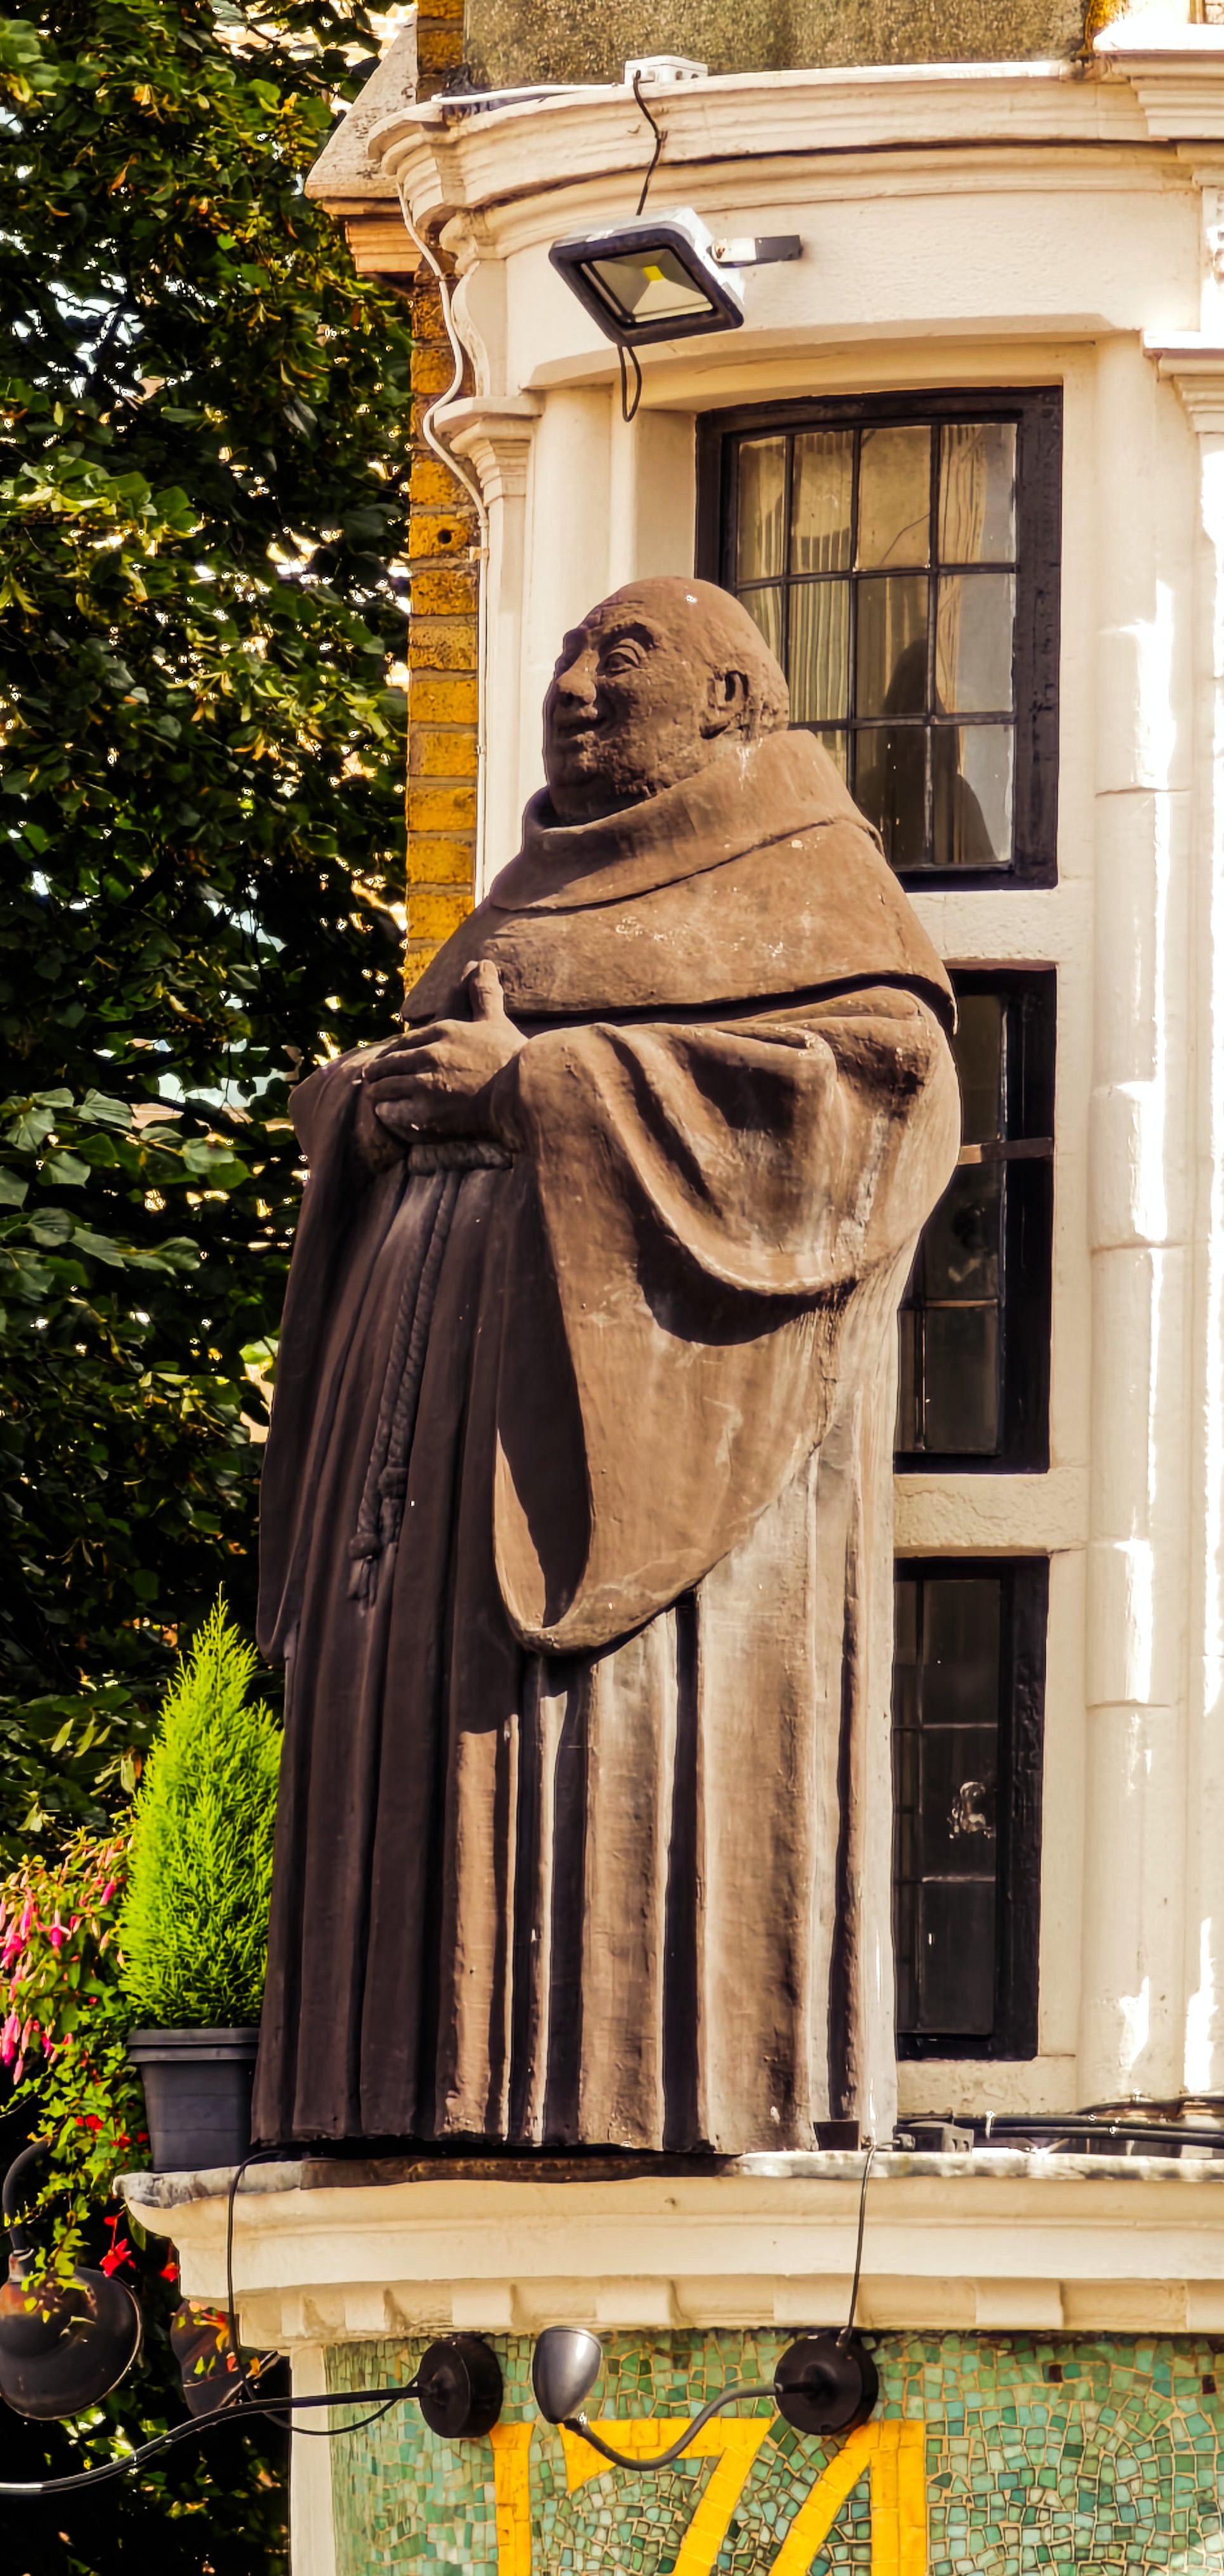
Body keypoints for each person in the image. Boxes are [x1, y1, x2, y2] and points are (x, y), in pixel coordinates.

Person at [253, 576, 959, 2155]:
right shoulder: (526, 898)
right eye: (568, 653)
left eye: (619, 655)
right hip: (421, 1467)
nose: (572, 684)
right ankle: (397, 2088)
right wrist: (373, 1106)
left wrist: (541, 1089)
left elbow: (880, 1092)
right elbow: (404, 1081)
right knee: (418, 1779)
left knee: (601, 1775)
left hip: (627, 1453)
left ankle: (622, 2089)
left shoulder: (810, 880)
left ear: (732, 703)